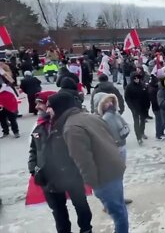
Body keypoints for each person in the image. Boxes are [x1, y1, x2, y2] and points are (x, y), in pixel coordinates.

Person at [49, 92, 128, 233]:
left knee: (118, 214)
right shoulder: (90, 117)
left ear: (58, 108)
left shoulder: (71, 128)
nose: (47, 110)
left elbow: (83, 161)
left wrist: (93, 183)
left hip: (104, 177)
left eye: (50, 107)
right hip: (115, 168)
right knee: (120, 209)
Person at [28, 91, 93, 233]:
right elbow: (33, 149)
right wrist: (33, 168)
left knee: (81, 205)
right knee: (58, 212)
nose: (37, 106)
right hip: (48, 178)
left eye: (41, 103)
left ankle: (86, 229)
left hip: (71, 175)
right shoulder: (38, 126)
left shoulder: (68, 125)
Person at [93, 92, 133, 205]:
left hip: (121, 146)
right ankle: (108, 203)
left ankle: (119, 198)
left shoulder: (115, 114)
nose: (109, 104)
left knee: (119, 176)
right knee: (110, 178)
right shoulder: (101, 119)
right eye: (106, 102)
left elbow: (125, 126)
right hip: (111, 150)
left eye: (111, 101)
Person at [125, 73, 150, 145]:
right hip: (135, 107)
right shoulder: (129, 87)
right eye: (135, 78)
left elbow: (146, 96)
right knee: (136, 122)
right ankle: (138, 137)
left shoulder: (142, 85)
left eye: (137, 78)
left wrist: (147, 105)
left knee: (143, 120)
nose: (136, 80)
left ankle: (142, 132)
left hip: (143, 106)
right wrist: (131, 107)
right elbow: (127, 98)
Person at [148, 75, 165, 140]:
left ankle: (160, 133)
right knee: (159, 121)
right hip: (157, 107)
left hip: (157, 107)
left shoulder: (153, 88)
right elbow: (154, 100)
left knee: (161, 120)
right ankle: (158, 134)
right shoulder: (153, 89)